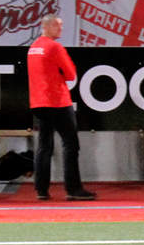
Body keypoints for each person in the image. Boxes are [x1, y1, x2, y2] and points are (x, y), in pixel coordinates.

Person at [27, 15, 95, 201]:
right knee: (70, 144)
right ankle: (73, 188)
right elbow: (71, 74)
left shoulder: (33, 48)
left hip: (38, 101)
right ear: (47, 26)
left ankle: (41, 189)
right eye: (57, 25)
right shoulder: (54, 47)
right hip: (57, 101)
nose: (61, 29)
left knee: (44, 145)